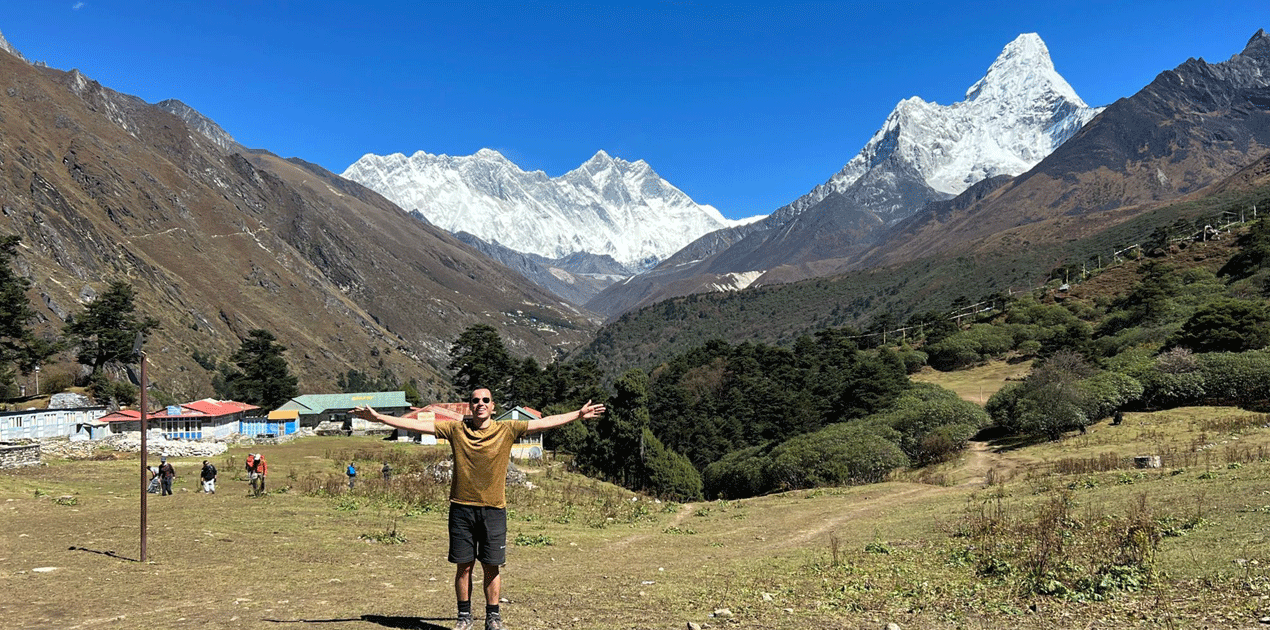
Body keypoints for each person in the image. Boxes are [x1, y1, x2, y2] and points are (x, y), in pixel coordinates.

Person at [353, 388, 605, 630]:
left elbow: (545, 422)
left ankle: (492, 618)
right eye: (475, 400)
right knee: (463, 566)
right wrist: (378, 418)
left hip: (494, 510)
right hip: (461, 510)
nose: (481, 403)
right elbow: (414, 425)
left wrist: (578, 415)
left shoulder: (507, 429)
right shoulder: (455, 429)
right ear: (470, 406)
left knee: (491, 566)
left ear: (493, 407)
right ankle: (464, 617)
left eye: (486, 399)